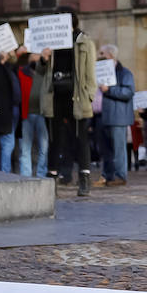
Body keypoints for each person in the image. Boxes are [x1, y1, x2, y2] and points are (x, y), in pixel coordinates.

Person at [46, 10, 98, 196]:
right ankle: (52, 177)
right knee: (55, 139)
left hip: (77, 96)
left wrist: (89, 95)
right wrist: (43, 59)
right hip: (55, 96)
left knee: (81, 138)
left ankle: (84, 179)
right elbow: (41, 71)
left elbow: (91, 71)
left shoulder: (83, 41)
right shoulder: (49, 43)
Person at [95, 44, 135, 187]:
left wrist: (109, 90)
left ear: (110, 56)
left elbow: (128, 92)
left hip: (118, 117)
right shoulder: (98, 73)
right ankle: (107, 175)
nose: (99, 56)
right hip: (101, 116)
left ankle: (119, 175)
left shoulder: (124, 73)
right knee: (105, 150)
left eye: (101, 53)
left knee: (118, 149)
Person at [18, 46, 51, 178]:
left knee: (43, 147)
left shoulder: (45, 73)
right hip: (26, 114)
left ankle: (41, 173)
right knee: (25, 148)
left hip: (42, 114)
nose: (36, 58)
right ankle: (26, 175)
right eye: (33, 55)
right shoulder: (21, 72)